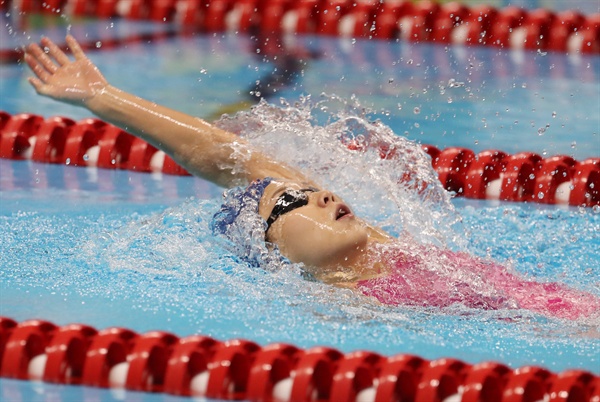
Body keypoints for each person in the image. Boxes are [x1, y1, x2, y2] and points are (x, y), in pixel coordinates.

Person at [24, 35, 599, 321]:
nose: (323, 192)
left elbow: (228, 155)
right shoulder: (345, 309)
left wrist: (103, 96)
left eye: (312, 189)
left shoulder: (382, 247)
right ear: (276, 250)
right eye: (295, 201)